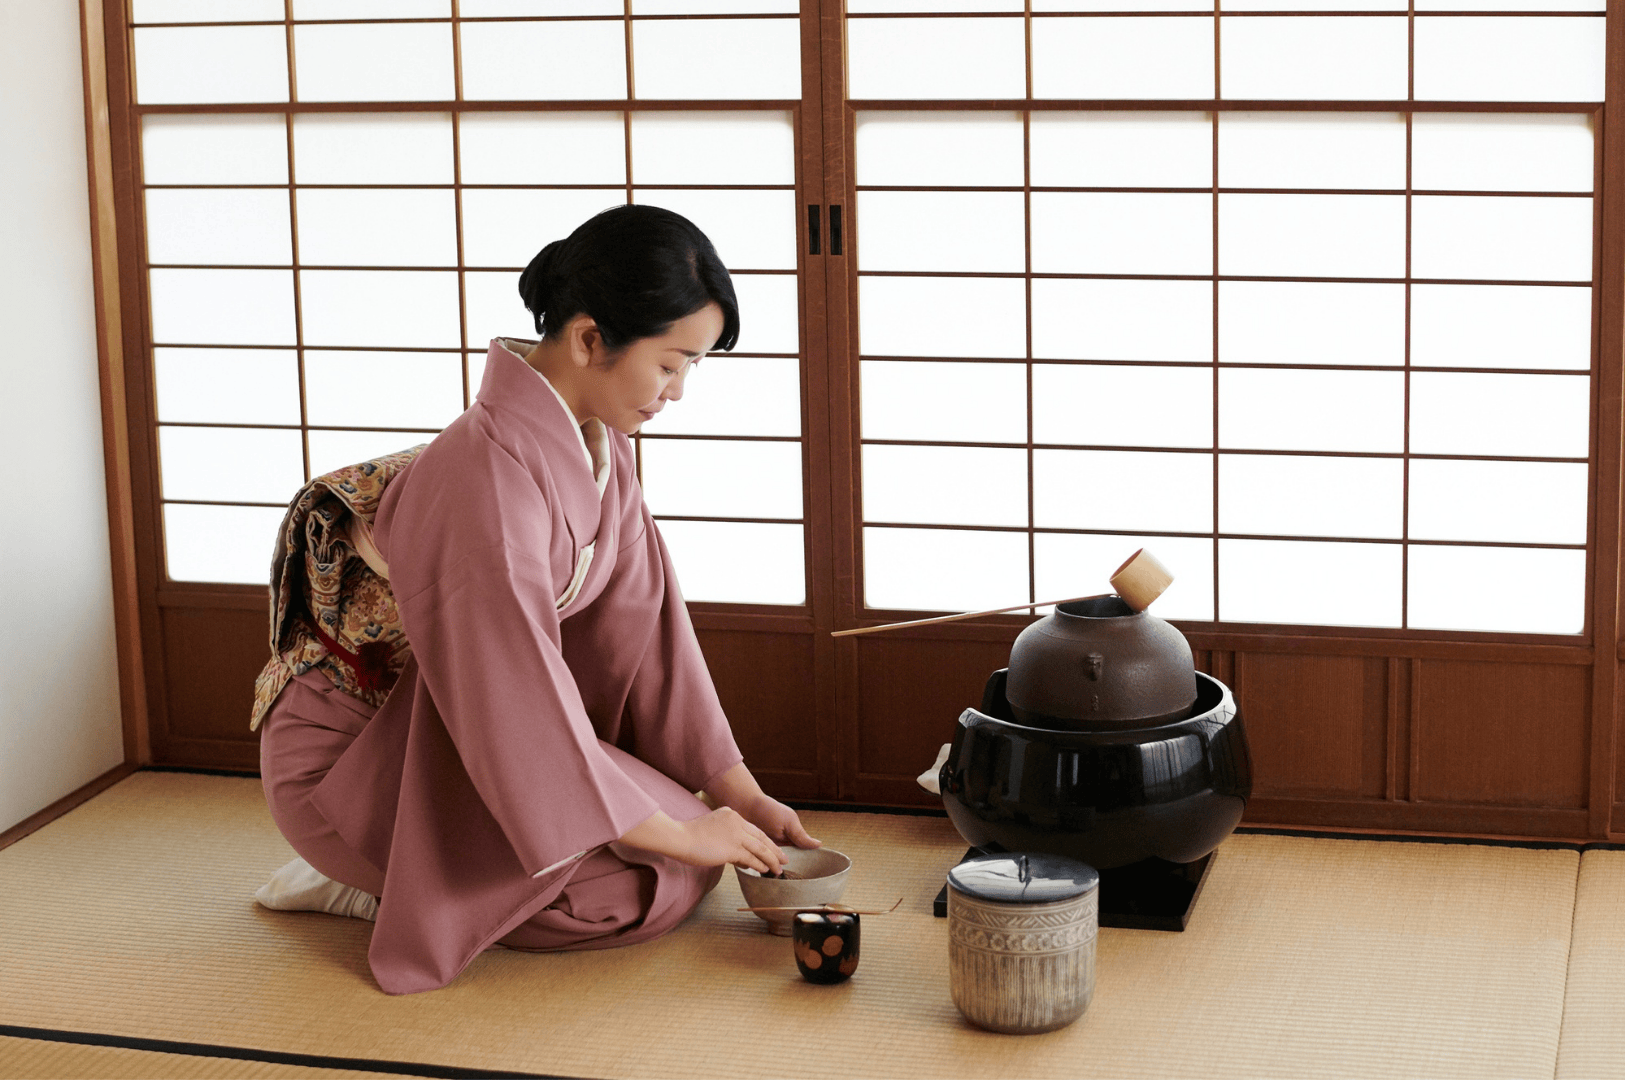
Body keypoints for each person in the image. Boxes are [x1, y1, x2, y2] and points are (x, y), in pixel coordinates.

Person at [252, 204, 820, 995]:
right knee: (616, 897)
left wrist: (740, 795)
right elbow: (504, 693)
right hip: (360, 755)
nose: (678, 391)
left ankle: (434, 871)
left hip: (463, 732)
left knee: (689, 859)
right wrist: (681, 833)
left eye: (692, 368)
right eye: (669, 363)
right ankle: (365, 879)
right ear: (590, 338)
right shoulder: (479, 478)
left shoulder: (602, 448)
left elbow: (647, 634)